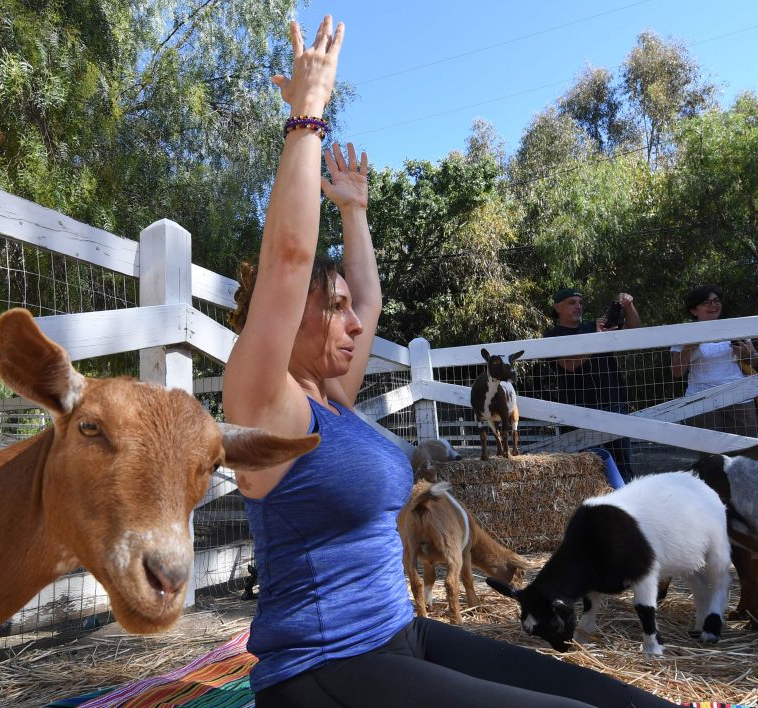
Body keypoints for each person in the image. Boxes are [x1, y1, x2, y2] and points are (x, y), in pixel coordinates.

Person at [222, 15, 673, 707]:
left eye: (349, 308)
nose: (353, 323)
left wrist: (355, 211)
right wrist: (307, 115)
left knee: (627, 702)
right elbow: (287, 261)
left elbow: (369, 297)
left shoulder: (332, 397)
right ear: (282, 319)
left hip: (402, 636)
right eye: (331, 307)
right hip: (322, 673)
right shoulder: (263, 404)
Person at [544, 287, 640, 482]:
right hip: (576, 411)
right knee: (581, 470)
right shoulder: (553, 335)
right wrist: (597, 340)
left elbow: (635, 331)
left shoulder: (593, 327)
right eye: (572, 302)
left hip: (614, 404)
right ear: (557, 308)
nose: (578, 306)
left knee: (623, 467)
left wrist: (629, 306)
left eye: (580, 302)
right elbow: (569, 365)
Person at [670, 284, 758, 443]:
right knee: (709, 456)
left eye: (716, 301)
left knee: (747, 451)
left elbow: (755, 361)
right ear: (693, 310)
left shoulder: (736, 327)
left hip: (739, 396)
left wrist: (747, 355)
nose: (714, 305)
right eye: (706, 302)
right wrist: (689, 345)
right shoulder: (684, 333)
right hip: (701, 400)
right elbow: (677, 372)